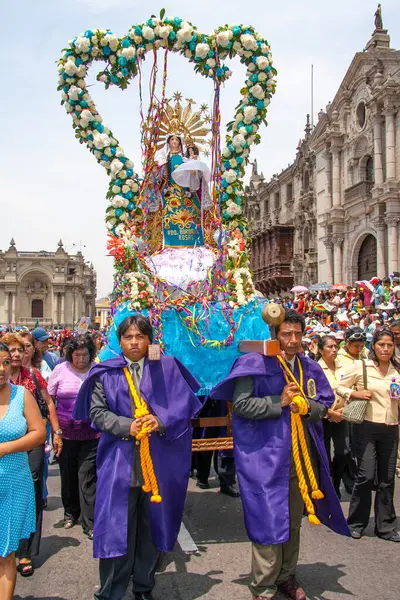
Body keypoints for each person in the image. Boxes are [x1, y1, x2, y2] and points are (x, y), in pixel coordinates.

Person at [210, 309, 349, 600]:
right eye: (287, 334)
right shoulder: (255, 362)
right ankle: (263, 585)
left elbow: (321, 403)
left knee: (293, 521)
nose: (293, 340)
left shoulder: (309, 367)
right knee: (267, 517)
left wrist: (311, 407)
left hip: (300, 458)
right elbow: (243, 405)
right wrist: (280, 401)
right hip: (264, 458)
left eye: (298, 334)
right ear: (275, 334)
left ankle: (287, 575)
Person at [73, 315, 202, 600]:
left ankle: (144, 586)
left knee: (149, 529)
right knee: (115, 530)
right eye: (129, 337)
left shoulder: (165, 369)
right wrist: (125, 426)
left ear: (149, 340)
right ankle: (111, 591)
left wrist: (160, 419)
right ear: (119, 341)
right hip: (119, 461)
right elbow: (97, 412)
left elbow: (185, 406)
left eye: (140, 337)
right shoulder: (105, 373)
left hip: (158, 463)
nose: (134, 342)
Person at [2, 333, 62, 577]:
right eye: (11, 351)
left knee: (32, 487)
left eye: (20, 350)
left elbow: (48, 403)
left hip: (30, 443)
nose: (16, 355)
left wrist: (56, 432)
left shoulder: (32, 378)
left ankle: (24, 549)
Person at [338, 328, 400, 541]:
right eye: (381, 344)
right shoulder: (361, 366)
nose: (385, 349)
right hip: (366, 427)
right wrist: (354, 393)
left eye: (389, 345)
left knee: (387, 479)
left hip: (390, 428)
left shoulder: (396, 371)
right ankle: (356, 522)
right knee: (366, 475)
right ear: (373, 346)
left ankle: (386, 526)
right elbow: (339, 385)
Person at [0, 341, 46, 600]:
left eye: (6, 362)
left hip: (13, 485)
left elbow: (39, 433)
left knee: (6, 554)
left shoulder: (21, 395)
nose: (2, 368)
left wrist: (5, 448)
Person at [47, 334, 99, 539]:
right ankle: (70, 513)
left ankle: (90, 521)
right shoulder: (60, 370)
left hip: (92, 433)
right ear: (70, 354)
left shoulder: (96, 370)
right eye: (77, 355)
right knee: (68, 475)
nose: (81, 359)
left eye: (85, 354)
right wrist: (55, 431)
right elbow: (50, 400)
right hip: (66, 433)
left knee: (86, 476)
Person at [317, 336, 354, 497]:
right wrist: (329, 412)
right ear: (320, 350)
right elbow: (314, 395)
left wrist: (342, 411)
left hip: (342, 415)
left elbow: (351, 389)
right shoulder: (316, 368)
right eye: (329, 347)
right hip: (323, 417)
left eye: (335, 347)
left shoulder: (344, 367)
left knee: (343, 452)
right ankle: (329, 488)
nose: (333, 350)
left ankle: (337, 482)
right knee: (323, 454)